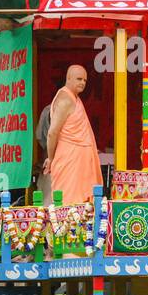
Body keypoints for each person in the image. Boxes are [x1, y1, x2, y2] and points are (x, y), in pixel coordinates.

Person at [43, 65, 102, 205]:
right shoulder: (65, 99)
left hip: (80, 160)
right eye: (79, 79)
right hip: (70, 159)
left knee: (84, 204)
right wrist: (51, 158)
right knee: (69, 203)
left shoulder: (73, 98)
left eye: (85, 80)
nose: (82, 83)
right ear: (68, 78)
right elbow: (52, 133)